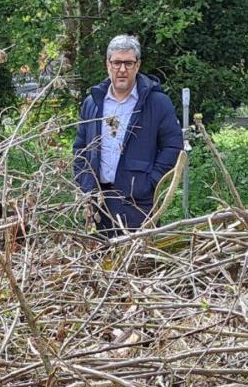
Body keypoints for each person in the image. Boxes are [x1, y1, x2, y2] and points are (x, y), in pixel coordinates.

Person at [72, 34, 184, 239]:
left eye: (128, 63)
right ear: (108, 64)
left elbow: (173, 147)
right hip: (99, 204)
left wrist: (151, 182)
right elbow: (80, 148)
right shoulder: (93, 103)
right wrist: (86, 186)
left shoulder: (157, 103)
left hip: (138, 204)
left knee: (137, 267)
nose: (122, 69)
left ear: (138, 65)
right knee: (100, 265)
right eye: (117, 62)